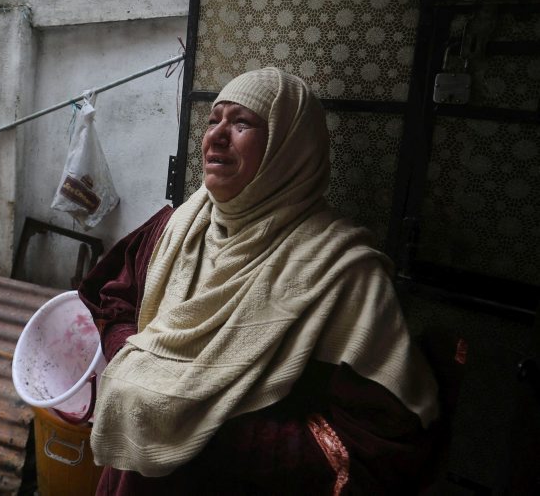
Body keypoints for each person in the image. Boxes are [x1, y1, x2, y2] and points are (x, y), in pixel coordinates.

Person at [79, 67, 440, 495]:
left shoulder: (342, 272)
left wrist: (207, 423)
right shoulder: (177, 227)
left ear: (288, 149)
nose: (216, 136)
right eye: (213, 120)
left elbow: (377, 439)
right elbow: (114, 301)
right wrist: (135, 371)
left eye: (242, 123)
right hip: (135, 477)